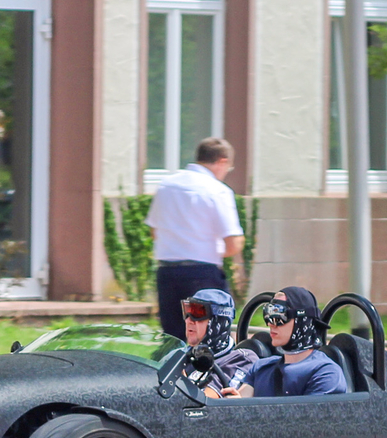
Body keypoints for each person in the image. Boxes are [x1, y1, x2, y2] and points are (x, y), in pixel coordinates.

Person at [146, 137, 244, 341]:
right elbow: (234, 243)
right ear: (222, 161)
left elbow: (154, 231)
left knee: (173, 340)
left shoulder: (166, 186)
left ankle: (175, 373)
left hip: (167, 272)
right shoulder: (216, 190)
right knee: (211, 337)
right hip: (202, 274)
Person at [223, 286, 351, 397]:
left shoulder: (325, 372)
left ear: (302, 320)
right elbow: (241, 404)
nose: (271, 324)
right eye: (268, 315)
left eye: (279, 316)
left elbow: (310, 421)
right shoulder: (260, 368)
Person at [180, 286, 260, 396]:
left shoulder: (240, 359)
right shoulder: (180, 354)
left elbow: (207, 400)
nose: (189, 320)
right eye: (187, 311)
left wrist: (179, 379)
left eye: (197, 313)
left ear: (219, 321)